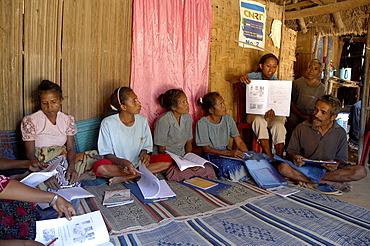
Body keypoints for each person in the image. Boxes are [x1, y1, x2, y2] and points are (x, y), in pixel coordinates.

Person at [278, 95, 367, 193]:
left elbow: (342, 159)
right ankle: (327, 182)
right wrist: (295, 157)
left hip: (327, 171)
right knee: (283, 167)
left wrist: (335, 164)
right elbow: (291, 152)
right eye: (316, 110)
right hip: (305, 168)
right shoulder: (302, 127)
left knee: (360, 171)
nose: (316, 115)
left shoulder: (340, 132)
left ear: (333, 116)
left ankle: (309, 180)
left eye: (323, 112)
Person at [93, 87, 172, 185]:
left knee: (168, 160)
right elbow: (107, 153)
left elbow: (145, 146)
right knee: (100, 167)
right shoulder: (108, 123)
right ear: (123, 107)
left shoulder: (142, 120)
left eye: (137, 100)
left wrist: (144, 155)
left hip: (139, 164)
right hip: (119, 165)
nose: (139, 103)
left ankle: (125, 177)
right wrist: (122, 162)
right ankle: (141, 173)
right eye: (134, 101)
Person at [21, 80, 84, 190]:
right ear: (39, 103)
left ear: (60, 100)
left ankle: (74, 174)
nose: (49, 107)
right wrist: (44, 175)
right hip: (41, 161)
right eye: (44, 103)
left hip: (61, 157)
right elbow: (30, 153)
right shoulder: (31, 121)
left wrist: (72, 167)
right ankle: (79, 176)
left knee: (94, 157)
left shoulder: (67, 120)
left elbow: (70, 148)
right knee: (49, 186)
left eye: (53, 102)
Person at [229, 53, 285, 160]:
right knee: (259, 121)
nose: (271, 69)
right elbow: (231, 80)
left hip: (272, 115)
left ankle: (279, 157)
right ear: (261, 66)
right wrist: (241, 78)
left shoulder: (276, 82)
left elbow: (279, 103)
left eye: (274, 66)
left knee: (278, 125)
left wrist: (275, 110)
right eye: (268, 65)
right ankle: (269, 156)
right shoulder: (253, 77)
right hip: (255, 114)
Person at [154, 89, 216, 181]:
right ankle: (188, 173)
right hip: (168, 158)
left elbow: (188, 143)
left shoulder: (187, 118)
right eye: (183, 102)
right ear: (173, 107)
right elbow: (161, 149)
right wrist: (180, 162)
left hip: (183, 156)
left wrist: (189, 159)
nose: (187, 104)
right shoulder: (163, 120)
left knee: (209, 169)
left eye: (186, 100)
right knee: (176, 172)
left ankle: (190, 172)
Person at [0, 175, 75, 244]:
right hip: (13, 234)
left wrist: (55, 199)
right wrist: (24, 244)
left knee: (65, 211)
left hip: (14, 210)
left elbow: (3, 186)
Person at [195, 92, 249, 182]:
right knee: (228, 166)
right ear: (211, 110)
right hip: (211, 156)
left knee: (257, 160)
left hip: (227, 152)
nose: (224, 106)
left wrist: (247, 156)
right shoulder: (202, 123)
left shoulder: (228, 119)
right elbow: (206, 149)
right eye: (220, 104)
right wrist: (229, 153)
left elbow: (239, 141)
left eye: (223, 103)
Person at [286, 59, 326, 145]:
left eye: (315, 69)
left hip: (313, 115)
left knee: (318, 124)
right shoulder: (297, 83)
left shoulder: (321, 88)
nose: (311, 71)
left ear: (319, 73)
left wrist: (312, 116)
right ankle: (289, 149)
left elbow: (321, 107)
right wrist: (302, 116)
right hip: (296, 113)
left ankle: (309, 150)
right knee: (291, 121)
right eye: (310, 67)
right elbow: (291, 103)